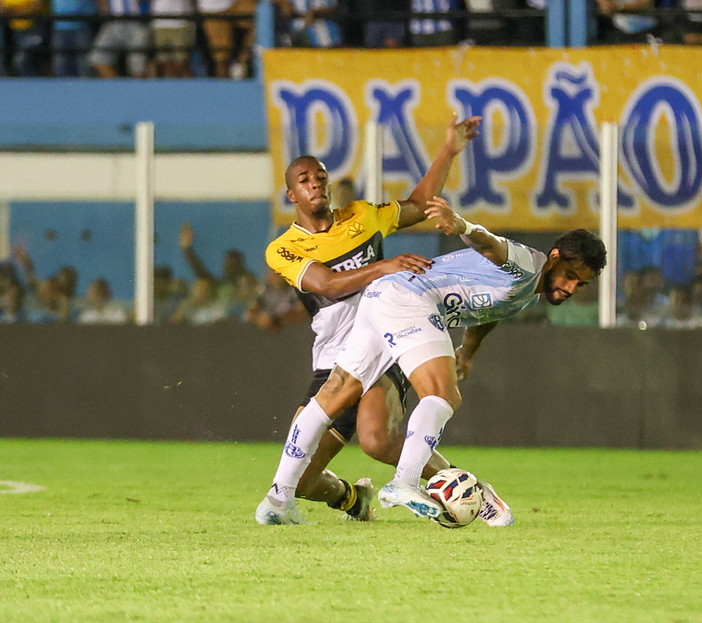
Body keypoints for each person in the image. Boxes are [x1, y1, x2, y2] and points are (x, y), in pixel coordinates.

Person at [256, 196, 606, 524]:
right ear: (556, 256)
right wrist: (464, 227)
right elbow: (492, 246)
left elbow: (491, 311)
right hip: (412, 299)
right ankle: (403, 483)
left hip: (382, 295)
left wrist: (467, 352)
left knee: (335, 393)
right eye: (571, 276)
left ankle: (278, 499)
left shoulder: (528, 290)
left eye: (581, 285)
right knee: (443, 393)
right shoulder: (530, 263)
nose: (571, 289)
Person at [257, 113, 504, 525]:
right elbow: (329, 285)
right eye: (304, 180)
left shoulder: (362, 216)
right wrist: (383, 267)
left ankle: (470, 492)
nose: (315, 183)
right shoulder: (282, 248)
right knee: (301, 480)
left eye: (320, 176)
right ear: (290, 195)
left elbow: (421, 205)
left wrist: (448, 150)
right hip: (335, 357)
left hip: (387, 341)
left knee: (376, 439)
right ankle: (351, 497)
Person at [179, 222, 253, 305]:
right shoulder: (221, 285)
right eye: (227, 263)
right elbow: (202, 274)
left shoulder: (248, 283)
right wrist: (187, 249)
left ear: (241, 265)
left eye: (233, 264)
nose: (228, 267)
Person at [88, 0, 151, 78]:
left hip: (136, 22)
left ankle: (140, 89)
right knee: (97, 59)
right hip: (114, 22)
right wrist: (104, 15)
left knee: (138, 66)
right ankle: (117, 87)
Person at [50, 0, 97, 77]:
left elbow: (93, 8)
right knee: (60, 65)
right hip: (59, 27)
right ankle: (62, 87)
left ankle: (85, 87)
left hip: (81, 26)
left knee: (84, 66)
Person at [151, 0, 196, 77]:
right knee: (165, 64)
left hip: (180, 23)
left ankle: (193, 88)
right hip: (159, 22)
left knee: (182, 63)